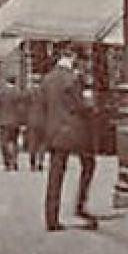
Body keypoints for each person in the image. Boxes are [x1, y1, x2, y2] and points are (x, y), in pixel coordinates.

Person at [40, 50, 97, 231]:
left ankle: (51, 217)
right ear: (73, 57)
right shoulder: (73, 79)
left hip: (54, 132)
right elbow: (81, 106)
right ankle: (80, 205)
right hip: (76, 131)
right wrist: (90, 101)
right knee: (89, 164)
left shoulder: (47, 79)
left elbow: (43, 107)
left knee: (55, 174)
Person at [0, 77, 25, 172]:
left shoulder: (1, 94)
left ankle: (7, 163)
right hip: (15, 122)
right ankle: (14, 161)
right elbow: (21, 108)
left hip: (3, 122)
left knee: (4, 143)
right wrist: (22, 121)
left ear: (6, 82)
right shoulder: (18, 94)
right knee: (14, 142)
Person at [24, 79, 47, 172]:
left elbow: (24, 107)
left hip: (32, 121)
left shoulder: (29, 93)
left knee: (33, 142)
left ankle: (32, 162)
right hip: (43, 121)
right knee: (42, 143)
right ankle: (41, 161)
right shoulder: (45, 94)